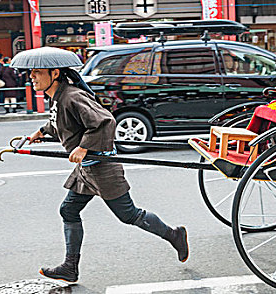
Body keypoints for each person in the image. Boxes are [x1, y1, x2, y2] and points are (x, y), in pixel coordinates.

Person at [11, 49, 188, 283]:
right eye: (31, 73)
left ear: (55, 73)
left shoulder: (72, 96)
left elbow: (105, 122)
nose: (32, 77)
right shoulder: (58, 96)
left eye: (37, 72)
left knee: (129, 215)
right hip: (86, 170)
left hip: (102, 168)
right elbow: (60, 123)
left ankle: (174, 235)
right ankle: (70, 267)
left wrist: (83, 147)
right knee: (69, 210)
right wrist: (40, 132)